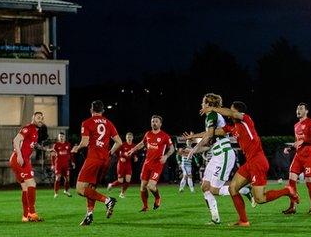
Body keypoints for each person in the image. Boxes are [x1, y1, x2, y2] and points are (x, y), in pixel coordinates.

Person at [201, 101, 298, 227]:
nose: (229, 114)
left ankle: (287, 190)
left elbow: (230, 113)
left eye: (232, 110)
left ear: (238, 112)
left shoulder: (246, 120)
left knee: (260, 199)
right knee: (233, 188)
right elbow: (213, 132)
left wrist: (212, 108)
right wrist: (192, 137)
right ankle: (244, 221)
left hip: (258, 161)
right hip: (249, 163)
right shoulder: (233, 127)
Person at [183, 93, 255, 224]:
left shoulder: (212, 115)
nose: (201, 104)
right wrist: (193, 140)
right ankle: (215, 218)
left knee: (214, 190)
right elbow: (209, 137)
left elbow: (209, 136)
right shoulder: (211, 117)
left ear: (209, 105)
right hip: (217, 155)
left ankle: (245, 190)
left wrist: (194, 149)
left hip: (224, 155)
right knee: (205, 186)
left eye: (203, 102)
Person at [71, 100, 122, 225]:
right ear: (103, 111)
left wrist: (76, 148)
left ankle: (107, 200)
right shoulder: (109, 123)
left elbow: (85, 142)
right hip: (105, 160)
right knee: (91, 188)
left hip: (93, 158)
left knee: (80, 188)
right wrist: (110, 152)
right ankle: (89, 215)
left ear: (91, 110)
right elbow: (119, 142)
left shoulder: (87, 122)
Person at [126, 115, 175, 212]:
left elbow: (172, 148)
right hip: (147, 164)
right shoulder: (148, 134)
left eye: (156, 121)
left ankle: (157, 197)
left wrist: (166, 156)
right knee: (143, 187)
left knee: (151, 186)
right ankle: (145, 207)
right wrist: (133, 149)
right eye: (153, 121)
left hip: (157, 164)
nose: (154, 123)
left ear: (160, 124)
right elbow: (141, 143)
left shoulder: (164, 136)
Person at [281, 102, 311, 215]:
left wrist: (303, 140)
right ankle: (292, 207)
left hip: (309, 157)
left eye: (301, 108)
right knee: (291, 181)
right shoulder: (296, 125)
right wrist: (290, 148)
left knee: (309, 182)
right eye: (297, 108)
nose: (298, 110)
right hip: (298, 156)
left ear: (306, 111)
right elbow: (299, 143)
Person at [9, 112, 45, 222]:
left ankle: (25, 216)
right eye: (38, 118)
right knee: (32, 184)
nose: (40, 120)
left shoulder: (35, 132)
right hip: (20, 159)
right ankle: (32, 214)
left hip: (21, 160)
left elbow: (32, 145)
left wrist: (47, 150)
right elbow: (16, 140)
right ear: (33, 118)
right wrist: (19, 156)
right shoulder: (28, 128)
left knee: (25, 188)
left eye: (42, 118)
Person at [107, 132, 137, 198]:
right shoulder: (122, 145)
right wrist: (120, 158)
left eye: (130, 137)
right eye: (128, 137)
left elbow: (134, 154)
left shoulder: (134, 146)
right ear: (126, 138)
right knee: (120, 181)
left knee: (128, 180)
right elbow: (116, 152)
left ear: (132, 138)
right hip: (121, 164)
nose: (129, 139)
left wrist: (135, 157)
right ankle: (111, 185)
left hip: (128, 164)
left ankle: (122, 193)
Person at [50, 132, 74, 198]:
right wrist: (52, 164)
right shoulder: (56, 145)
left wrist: (72, 162)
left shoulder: (68, 145)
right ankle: (56, 193)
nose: (61, 138)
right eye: (60, 136)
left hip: (66, 164)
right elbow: (52, 155)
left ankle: (66, 191)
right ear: (58, 137)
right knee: (58, 178)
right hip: (58, 164)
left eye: (62, 136)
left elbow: (71, 154)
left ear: (64, 137)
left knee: (67, 178)